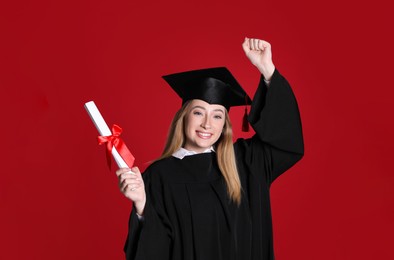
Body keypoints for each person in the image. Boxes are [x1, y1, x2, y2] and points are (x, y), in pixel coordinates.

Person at [116, 37, 304, 260]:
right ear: (184, 117)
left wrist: (267, 70)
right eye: (198, 113)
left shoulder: (245, 162)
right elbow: (152, 252)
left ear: (224, 123)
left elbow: (287, 141)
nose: (207, 124)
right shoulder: (158, 177)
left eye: (217, 116)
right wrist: (141, 206)